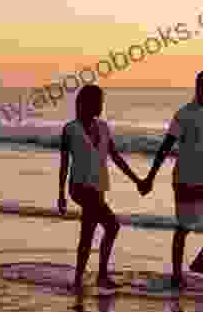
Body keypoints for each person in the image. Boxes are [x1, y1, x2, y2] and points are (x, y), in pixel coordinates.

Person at [139, 69, 203, 288]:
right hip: (187, 179)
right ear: (199, 86)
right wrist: (150, 177)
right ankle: (176, 275)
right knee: (184, 227)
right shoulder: (184, 114)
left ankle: (199, 261)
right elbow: (166, 146)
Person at [58, 84, 144, 291]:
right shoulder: (70, 129)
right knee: (106, 226)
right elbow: (64, 164)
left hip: (97, 188)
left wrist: (137, 180)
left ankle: (84, 278)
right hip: (79, 187)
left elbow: (115, 157)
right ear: (87, 103)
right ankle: (92, 277)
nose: (101, 105)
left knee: (95, 229)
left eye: (101, 101)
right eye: (98, 102)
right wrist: (61, 194)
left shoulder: (104, 127)